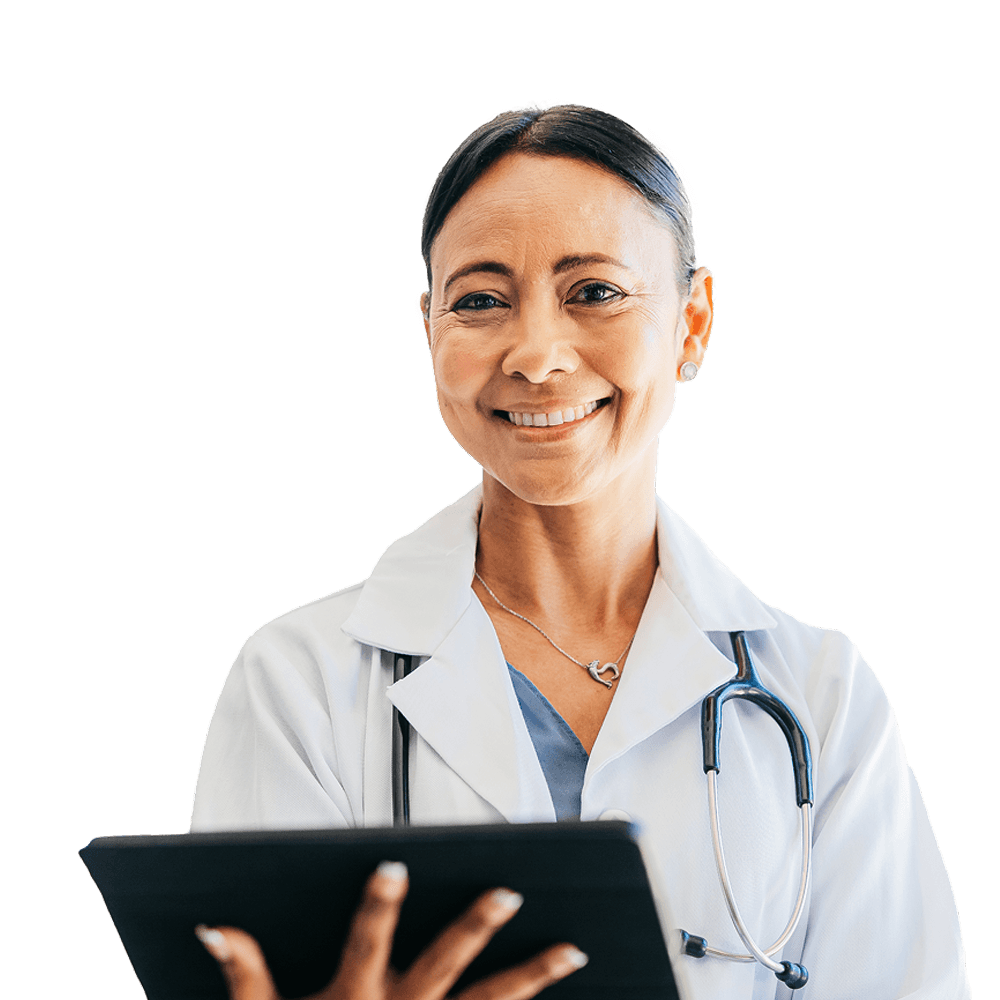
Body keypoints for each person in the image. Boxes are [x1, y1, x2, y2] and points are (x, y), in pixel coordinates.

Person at [188, 102, 970, 999]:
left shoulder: (821, 695)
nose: (536, 355)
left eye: (594, 292)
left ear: (692, 323)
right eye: (480, 301)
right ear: (430, 331)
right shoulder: (299, 681)